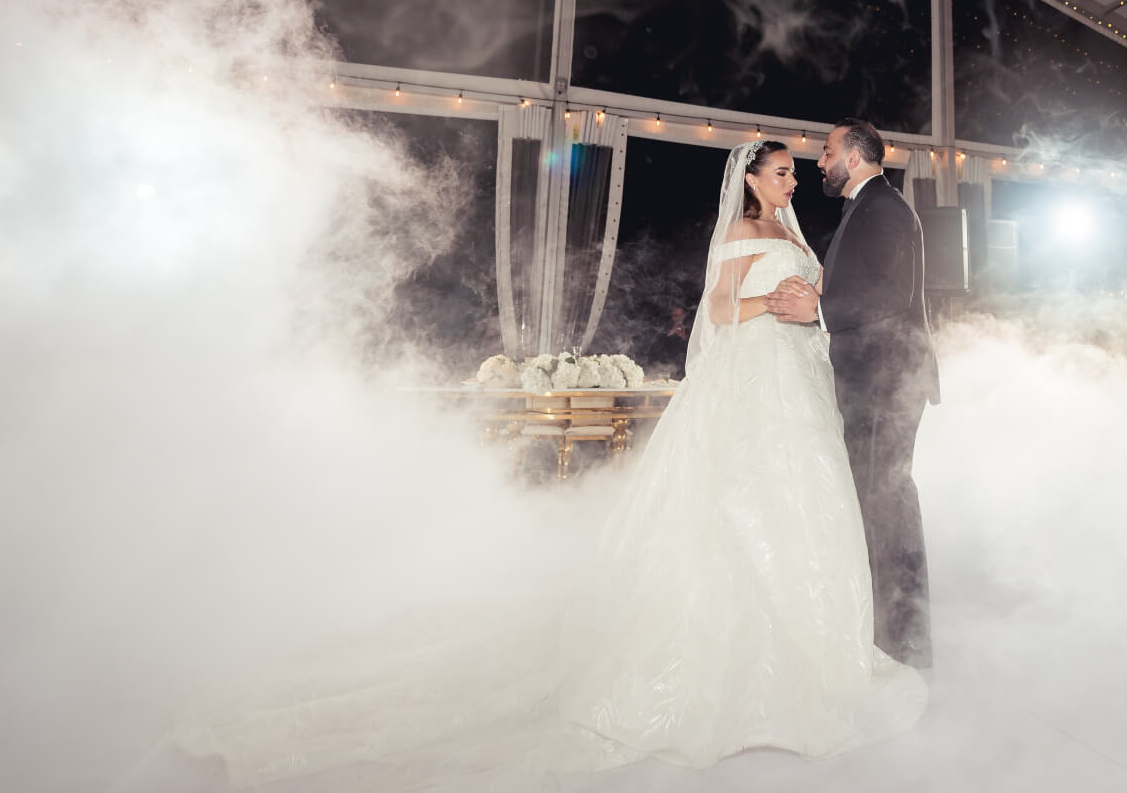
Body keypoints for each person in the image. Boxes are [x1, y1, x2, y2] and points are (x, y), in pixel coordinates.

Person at [159, 139, 925, 789]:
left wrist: (808, 303)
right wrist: (774, 307)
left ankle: (805, 660)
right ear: (752, 179)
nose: (795, 178)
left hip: (798, 383)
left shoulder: (796, 234)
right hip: (753, 381)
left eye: (799, 168)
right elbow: (721, 311)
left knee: (801, 512)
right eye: (784, 170)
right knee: (729, 511)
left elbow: (831, 298)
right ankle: (719, 667)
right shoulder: (738, 236)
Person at [766, 119, 939, 669]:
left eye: (827, 151)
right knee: (873, 499)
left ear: (857, 157)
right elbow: (868, 282)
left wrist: (816, 311)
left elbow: (890, 293)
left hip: (888, 380)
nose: (820, 162)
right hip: (873, 377)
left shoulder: (884, 208)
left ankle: (904, 638)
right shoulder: (866, 206)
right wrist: (822, 291)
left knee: (886, 499)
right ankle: (885, 631)